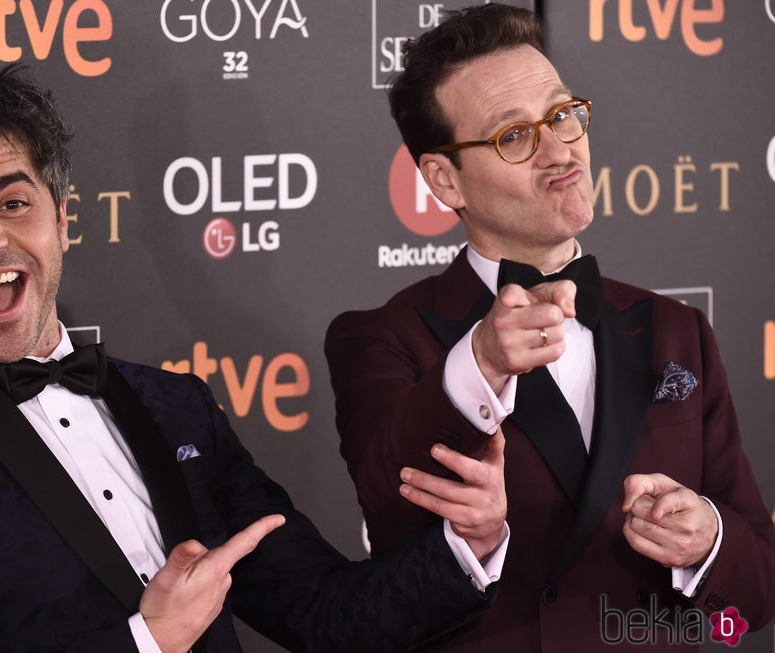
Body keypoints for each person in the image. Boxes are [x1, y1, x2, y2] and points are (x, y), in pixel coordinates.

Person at [0, 62, 506, 653]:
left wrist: (466, 547)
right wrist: (147, 641)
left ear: (62, 219)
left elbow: (327, 613)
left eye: (13, 202)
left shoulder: (177, 408)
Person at [325, 4, 774, 651]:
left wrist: (708, 540)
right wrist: (478, 361)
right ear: (445, 179)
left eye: (562, 115)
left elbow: (757, 591)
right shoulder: (384, 339)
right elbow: (388, 512)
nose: (561, 148)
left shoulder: (678, 330)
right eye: (514, 136)